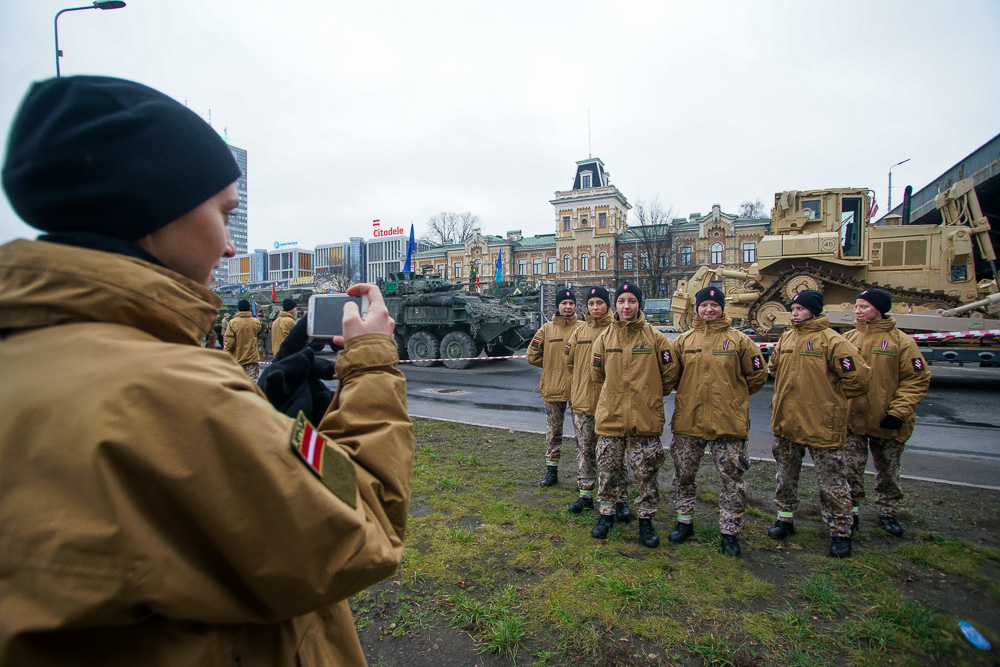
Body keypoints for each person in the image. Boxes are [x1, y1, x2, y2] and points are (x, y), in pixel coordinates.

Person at [0, 75, 413, 666]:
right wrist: (371, 363)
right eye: (223, 214)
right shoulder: (173, 392)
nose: (227, 247)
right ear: (156, 208)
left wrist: (262, 418)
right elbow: (363, 525)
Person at [767, 289, 871, 558]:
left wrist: (832, 401)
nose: (795, 313)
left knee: (832, 482)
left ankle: (839, 531)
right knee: (785, 478)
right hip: (787, 424)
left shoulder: (833, 341)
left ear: (814, 310)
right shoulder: (787, 337)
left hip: (822, 425)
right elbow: (774, 368)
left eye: (800, 308)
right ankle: (784, 520)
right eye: (793, 309)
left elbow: (858, 378)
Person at [667, 286, 767, 557]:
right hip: (689, 421)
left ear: (722, 308)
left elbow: (757, 376)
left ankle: (730, 532)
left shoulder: (739, 341)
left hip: (728, 423)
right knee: (684, 475)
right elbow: (670, 376)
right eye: (704, 305)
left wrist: (735, 398)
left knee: (732, 480)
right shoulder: (683, 341)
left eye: (714, 304)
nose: (709, 309)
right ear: (696, 308)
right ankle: (684, 522)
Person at [590, 283, 679, 547]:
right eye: (621, 301)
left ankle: (646, 520)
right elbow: (597, 373)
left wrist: (649, 396)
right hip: (611, 417)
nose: (626, 306)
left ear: (640, 304)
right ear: (615, 305)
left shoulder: (655, 338)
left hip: (645, 418)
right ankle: (606, 514)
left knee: (646, 472)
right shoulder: (604, 338)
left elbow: (670, 373)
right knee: (608, 470)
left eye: (631, 301)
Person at [844, 288, 930, 537]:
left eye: (864, 307)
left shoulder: (902, 342)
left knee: (888, 472)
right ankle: (852, 511)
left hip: (888, 421)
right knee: (850, 470)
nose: (858, 311)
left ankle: (888, 512)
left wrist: (900, 411)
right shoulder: (847, 339)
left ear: (878, 309)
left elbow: (917, 380)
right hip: (852, 420)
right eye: (856, 306)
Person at [564, 286, 631, 521]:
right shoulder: (579, 332)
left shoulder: (616, 331)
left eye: (599, 303)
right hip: (582, 403)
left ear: (607, 306)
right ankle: (585, 495)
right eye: (591, 304)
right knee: (585, 451)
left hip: (610, 405)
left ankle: (619, 499)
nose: (595, 308)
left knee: (614, 457)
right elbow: (569, 362)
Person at [526, 288, 579, 487]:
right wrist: (551, 365)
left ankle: (584, 477)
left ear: (575, 306)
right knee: (553, 433)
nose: (567, 307)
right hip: (553, 388)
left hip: (578, 389)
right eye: (564, 303)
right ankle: (551, 472)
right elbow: (532, 355)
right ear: (557, 306)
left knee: (583, 435)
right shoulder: (546, 330)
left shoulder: (582, 328)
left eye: (571, 303)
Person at [225, 298, 262, 379]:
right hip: (252, 357)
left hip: (238, 357)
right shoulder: (255, 322)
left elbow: (229, 342)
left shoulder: (233, 323)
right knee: (252, 383)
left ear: (238, 309)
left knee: (239, 383)